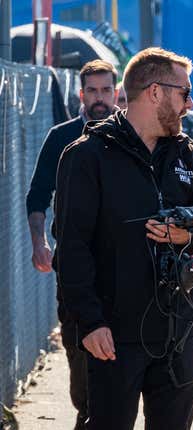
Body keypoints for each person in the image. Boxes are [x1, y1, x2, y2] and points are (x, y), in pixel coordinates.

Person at [53, 47, 193, 430]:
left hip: (177, 335)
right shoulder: (86, 157)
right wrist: (90, 322)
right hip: (112, 338)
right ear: (154, 92)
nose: (190, 103)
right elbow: (71, 250)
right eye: (184, 93)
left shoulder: (189, 158)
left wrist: (186, 240)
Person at [25, 59, 119, 430]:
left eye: (106, 90)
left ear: (116, 92)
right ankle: (87, 411)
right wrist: (38, 242)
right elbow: (36, 198)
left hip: (119, 264)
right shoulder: (62, 138)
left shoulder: (129, 136)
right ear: (81, 95)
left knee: (118, 355)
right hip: (74, 266)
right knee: (79, 352)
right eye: (92, 91)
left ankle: (102, 416)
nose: (99, 98)